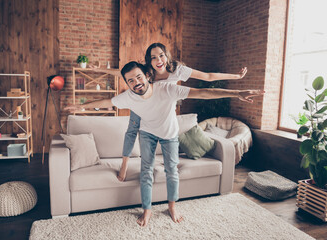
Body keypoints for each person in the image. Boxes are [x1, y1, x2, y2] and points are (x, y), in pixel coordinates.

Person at [65, 61, 264, 227]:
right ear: (126, 83)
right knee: (146, 172)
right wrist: (80, 107)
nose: (136, 83)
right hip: (148, 135)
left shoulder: (167, 88)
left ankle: (171, 206)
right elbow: (107, 101)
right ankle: (147, 210)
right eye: (130, 80)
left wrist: (236, 93)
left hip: (169, 136)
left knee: (172, 171)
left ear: (147, 75)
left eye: (139, 77)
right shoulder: (128, 97)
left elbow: (202, 92)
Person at [88, 42, 248, 182]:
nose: (158, 61)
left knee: (165, 130)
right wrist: (100, 70)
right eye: (153, 58)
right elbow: (123, 73)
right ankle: (124, 165)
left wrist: (236, 76)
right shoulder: (147, 70)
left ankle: (167, 159)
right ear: (148, 60)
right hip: (142, 99)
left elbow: (208, 76)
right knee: (131, 131)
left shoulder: (178, 70)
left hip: (163, 101)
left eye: (161, 56)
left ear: (167, 56)